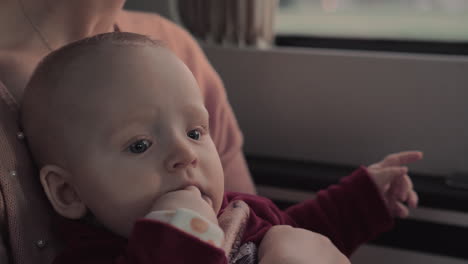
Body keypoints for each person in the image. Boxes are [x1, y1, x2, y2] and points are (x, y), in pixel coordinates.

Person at [20, 32, 422, 264]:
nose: (186, 153)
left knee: (286, 239)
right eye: (140, 144)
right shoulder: (92, 257)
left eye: (195, 133)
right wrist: (178, 237)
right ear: (68, 192)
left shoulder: (239, 210)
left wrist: (363, 200)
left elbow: (306, 230)